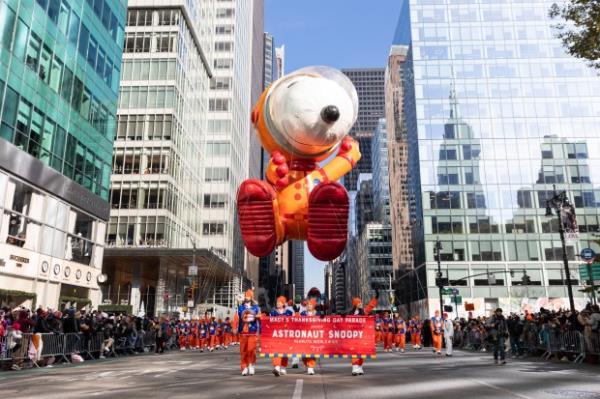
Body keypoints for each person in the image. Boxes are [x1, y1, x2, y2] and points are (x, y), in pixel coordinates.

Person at [349, 292, 378, 376]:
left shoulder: (363, 312)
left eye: (361, 302)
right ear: (355, 304)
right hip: (353, 336)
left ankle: (359, 366)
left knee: (362, 352)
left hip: (362, 335)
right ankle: (354, 367)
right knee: (354, 351)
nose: (360, 304)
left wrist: (375, 298)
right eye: (359, 303)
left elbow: (370, 306)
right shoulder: (350, 314)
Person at [237, 289, 260, 376]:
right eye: (246, 295)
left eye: (248, 295)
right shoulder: (240, 307)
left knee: (251, 350)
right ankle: (244, 367)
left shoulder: (256, 307)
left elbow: (258, 317)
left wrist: (257, 316)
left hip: (252, 332)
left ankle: (251, 365)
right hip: (243, 331)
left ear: (251, 297)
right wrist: (253, 315)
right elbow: (242, 315)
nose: (247, 297)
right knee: (243, 351)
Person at [271, 296, 294, 376]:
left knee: (285, 352)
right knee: (276, 351)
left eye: (279, 302)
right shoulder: (273, 312)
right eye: (277, 302)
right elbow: (269, 323)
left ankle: (283, 367)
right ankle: (277, 367)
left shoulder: (289, 313)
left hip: (286, 336)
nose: (277, 303)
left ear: (283, 303)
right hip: (276, 336)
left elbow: (293, 323)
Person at [300, 298, 319, 375]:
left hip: (314, 336)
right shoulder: (303, 313)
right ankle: (307, 364)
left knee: (312, 352)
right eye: (308, 305)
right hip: (304, 336)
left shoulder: (318, 314)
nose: (309, 306)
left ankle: (311, 367)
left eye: (310, 305)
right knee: (303, 354)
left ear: (313, 305)